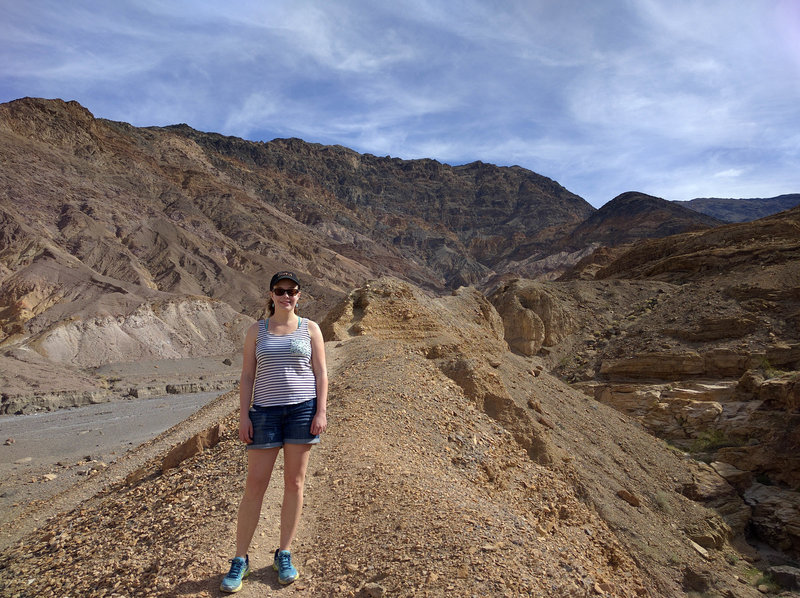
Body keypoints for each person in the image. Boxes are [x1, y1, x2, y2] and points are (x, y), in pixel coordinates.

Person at [221, 270, 328, 591]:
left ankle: (284, 552)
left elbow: (321, 373)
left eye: (292, 291)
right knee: (255, 485)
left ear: (299, 296)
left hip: (302, 410)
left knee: (294, 482)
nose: (286, 296)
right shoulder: (257, 330)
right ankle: (240, 559)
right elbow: (247, 377)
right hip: (265, 413)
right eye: (280, 291)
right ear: (270, 295)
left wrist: (321, 410)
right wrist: (244, 416)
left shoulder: (311, 329)